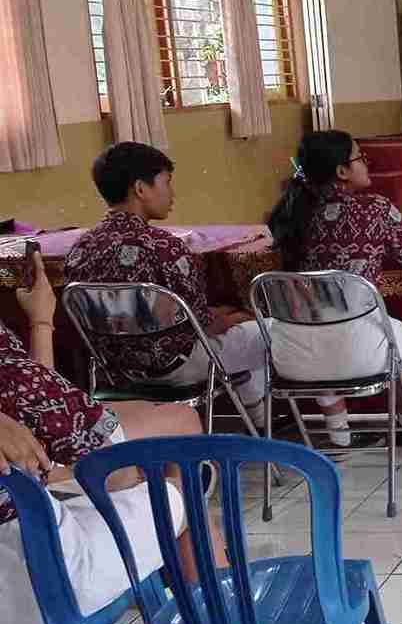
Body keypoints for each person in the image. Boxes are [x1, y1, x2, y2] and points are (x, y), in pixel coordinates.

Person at [0, 250, 210, 624]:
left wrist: (41, 321)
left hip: (24, 547)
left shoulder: (85, 251)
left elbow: (33, 412)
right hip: (26, 584)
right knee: (177, 485)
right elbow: (112, 469)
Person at [64, 142, 268, 425]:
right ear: (141, 189)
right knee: (263, 331)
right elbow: (202, 324)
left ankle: (256, 419)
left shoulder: (81, 249)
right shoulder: (165, 248)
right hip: (175, 367)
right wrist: (233, 317)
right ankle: (263, 425)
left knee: (240, 335)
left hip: (116, 371)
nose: (172, 193)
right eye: (167, 182)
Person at [266, 130, 402, 448]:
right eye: (360, 158)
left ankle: (339, 433)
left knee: (319, 332)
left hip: (293, 356)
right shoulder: (375, 210)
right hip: (360, 353)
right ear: (342, 171)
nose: (366, 164)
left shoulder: (287, 215)